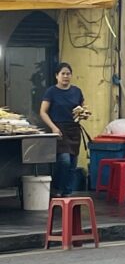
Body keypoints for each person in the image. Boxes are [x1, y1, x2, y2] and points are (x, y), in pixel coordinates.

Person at [38, 61, 88, 197]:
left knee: (72, 163)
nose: (66, 76)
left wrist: (84, 114)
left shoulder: (76, 91)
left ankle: (67, 192)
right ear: (57, 76)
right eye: (63, 74)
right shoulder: (51, 92)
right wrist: (53, 127)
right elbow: (43, 112)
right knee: (64, 160)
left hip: (74, 130)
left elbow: (83, 108)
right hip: (59, 130)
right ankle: (57, 188)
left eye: (68, 74)